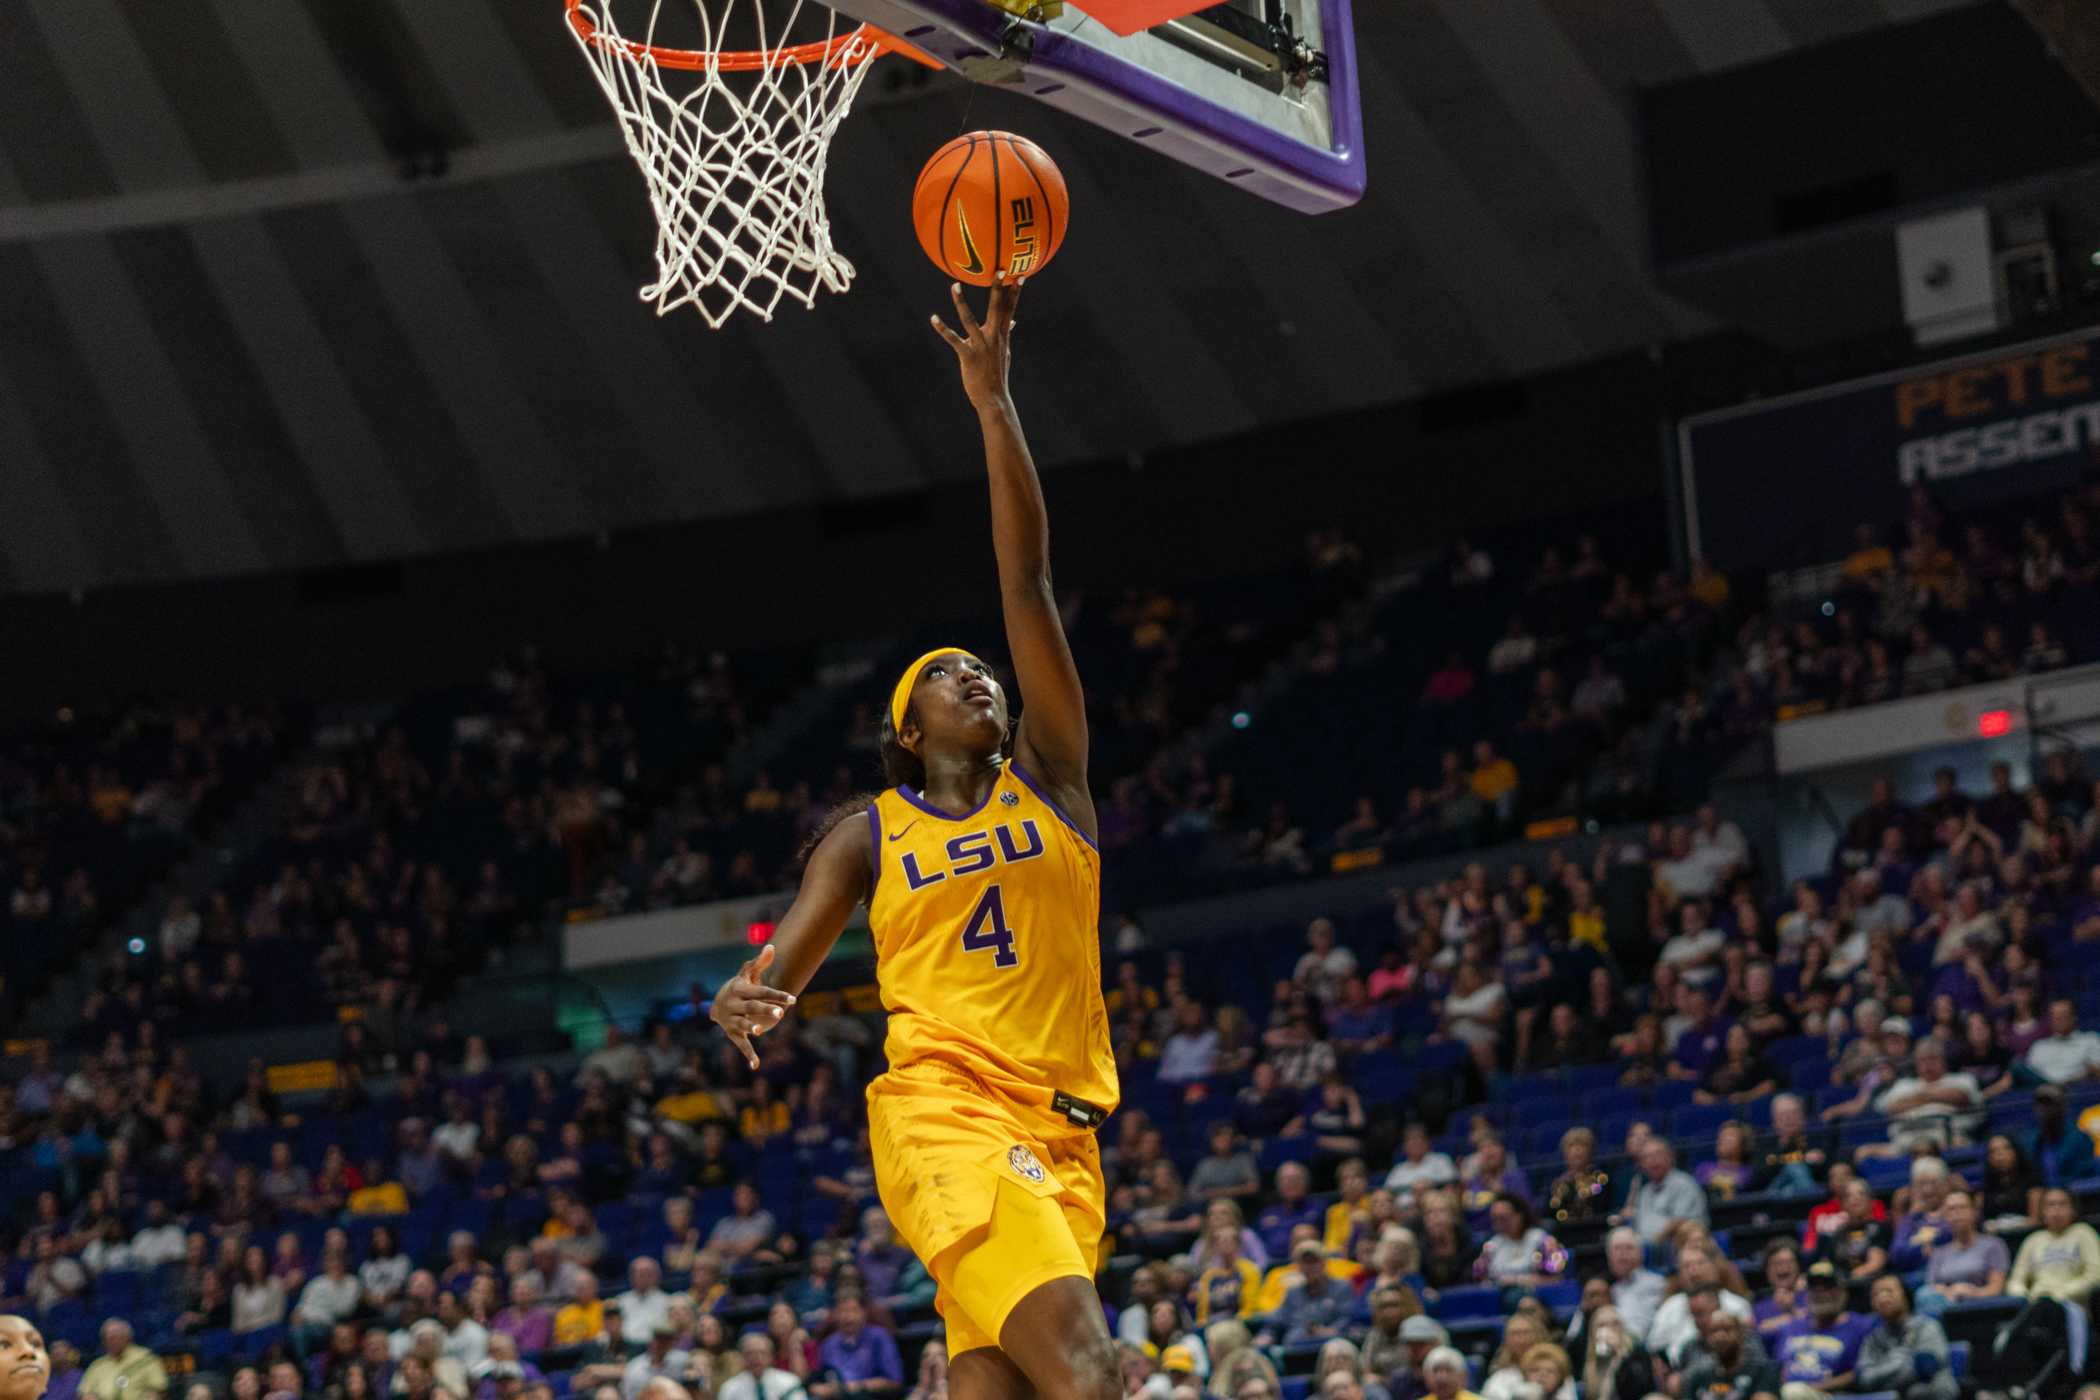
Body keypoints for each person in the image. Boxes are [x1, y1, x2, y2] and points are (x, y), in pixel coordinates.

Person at [709, 276, 1119, 1400]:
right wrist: (741, 996)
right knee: (1093, 1370)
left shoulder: (1053, 779)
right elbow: (776, 968)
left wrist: (996, 406)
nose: (976, 674)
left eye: (979, 668)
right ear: (907, 725)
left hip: (1066, 1143)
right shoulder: (868, 835)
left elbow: (1027, 582)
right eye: (946, 674)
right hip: (946, 1116)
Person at [1772, 1263, 1875, 1400]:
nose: (1820, 1293)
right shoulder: (1791, 1327)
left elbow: (1860, 1373)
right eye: (1814, 1288)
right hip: (1787, 1393)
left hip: (1832, 1395)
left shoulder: (1861, 1326)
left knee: (1793, 1392)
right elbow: (1780, 1368)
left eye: (1827, 1287)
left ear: (1843, 1292)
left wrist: (1814, 1387)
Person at [1855, 1276, 1955, 1400]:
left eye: (1888, 1291)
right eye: (1876, 1294)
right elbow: (1863, 1379)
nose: (1882, 1298)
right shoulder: (1873, 1338)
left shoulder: (1927, 1326)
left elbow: (1926, 1367)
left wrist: (1882, 1375)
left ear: (1905, 1295)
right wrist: (1901, 1362)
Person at [1916, 1187, 2007, 1315]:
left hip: (1981, 1307)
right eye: (1951, 1210)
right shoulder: (1939, 1253)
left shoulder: (1993, 1245)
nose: (1957, 1214)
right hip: (1944, 1308)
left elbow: (1996, 1288)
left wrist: (1972, 1292)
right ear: (1946, 1217)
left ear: (1973, 1212)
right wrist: (1950, 1291)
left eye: (1962, 1208)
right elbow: (1930, 1288)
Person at [1617, 1139, 1707, 1244]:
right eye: (1647, 1157)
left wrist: (1653, 1243)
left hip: (1682, 1246)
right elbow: (1638, 1223)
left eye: (1658, 1154)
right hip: (1647, 1249)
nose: (1653, 1160)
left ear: (1670, 1157)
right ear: (1642, 1164)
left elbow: (1679, 1222)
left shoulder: (1684, 1183)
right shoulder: (1645, 1191)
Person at [813, 1295, 903, 1397]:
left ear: (863, 1313)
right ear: (835, 1315)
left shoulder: (879, 1337)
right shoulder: (829, 1343)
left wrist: (859, 1386)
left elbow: (894, 1381)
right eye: (842, 1311)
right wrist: (818, 1388)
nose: (847, 1316)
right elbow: (819, 1379)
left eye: (853, 1310)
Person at [1676, 1310, 1778, 1400]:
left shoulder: (1760, 1371)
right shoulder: (1698, 1375)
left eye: (1727, 1329)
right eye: (1714, 1331)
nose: (1720, 1336)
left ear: (1740, 1334)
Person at [78, 1323, 165, 1400]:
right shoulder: (97, 1365)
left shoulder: (147, 1360)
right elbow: (85, 1392)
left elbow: (158, 1391)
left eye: (115, 1338)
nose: (111, 1342)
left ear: (127, 1338)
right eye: (107, 1339)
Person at [717, 1334, 800, 1400]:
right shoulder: (730, 1388)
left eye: (762, 1353)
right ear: (742, 1358)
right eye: (750, 1353)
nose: (756, 1358)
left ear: (771, 1357)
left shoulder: (789, 1382)